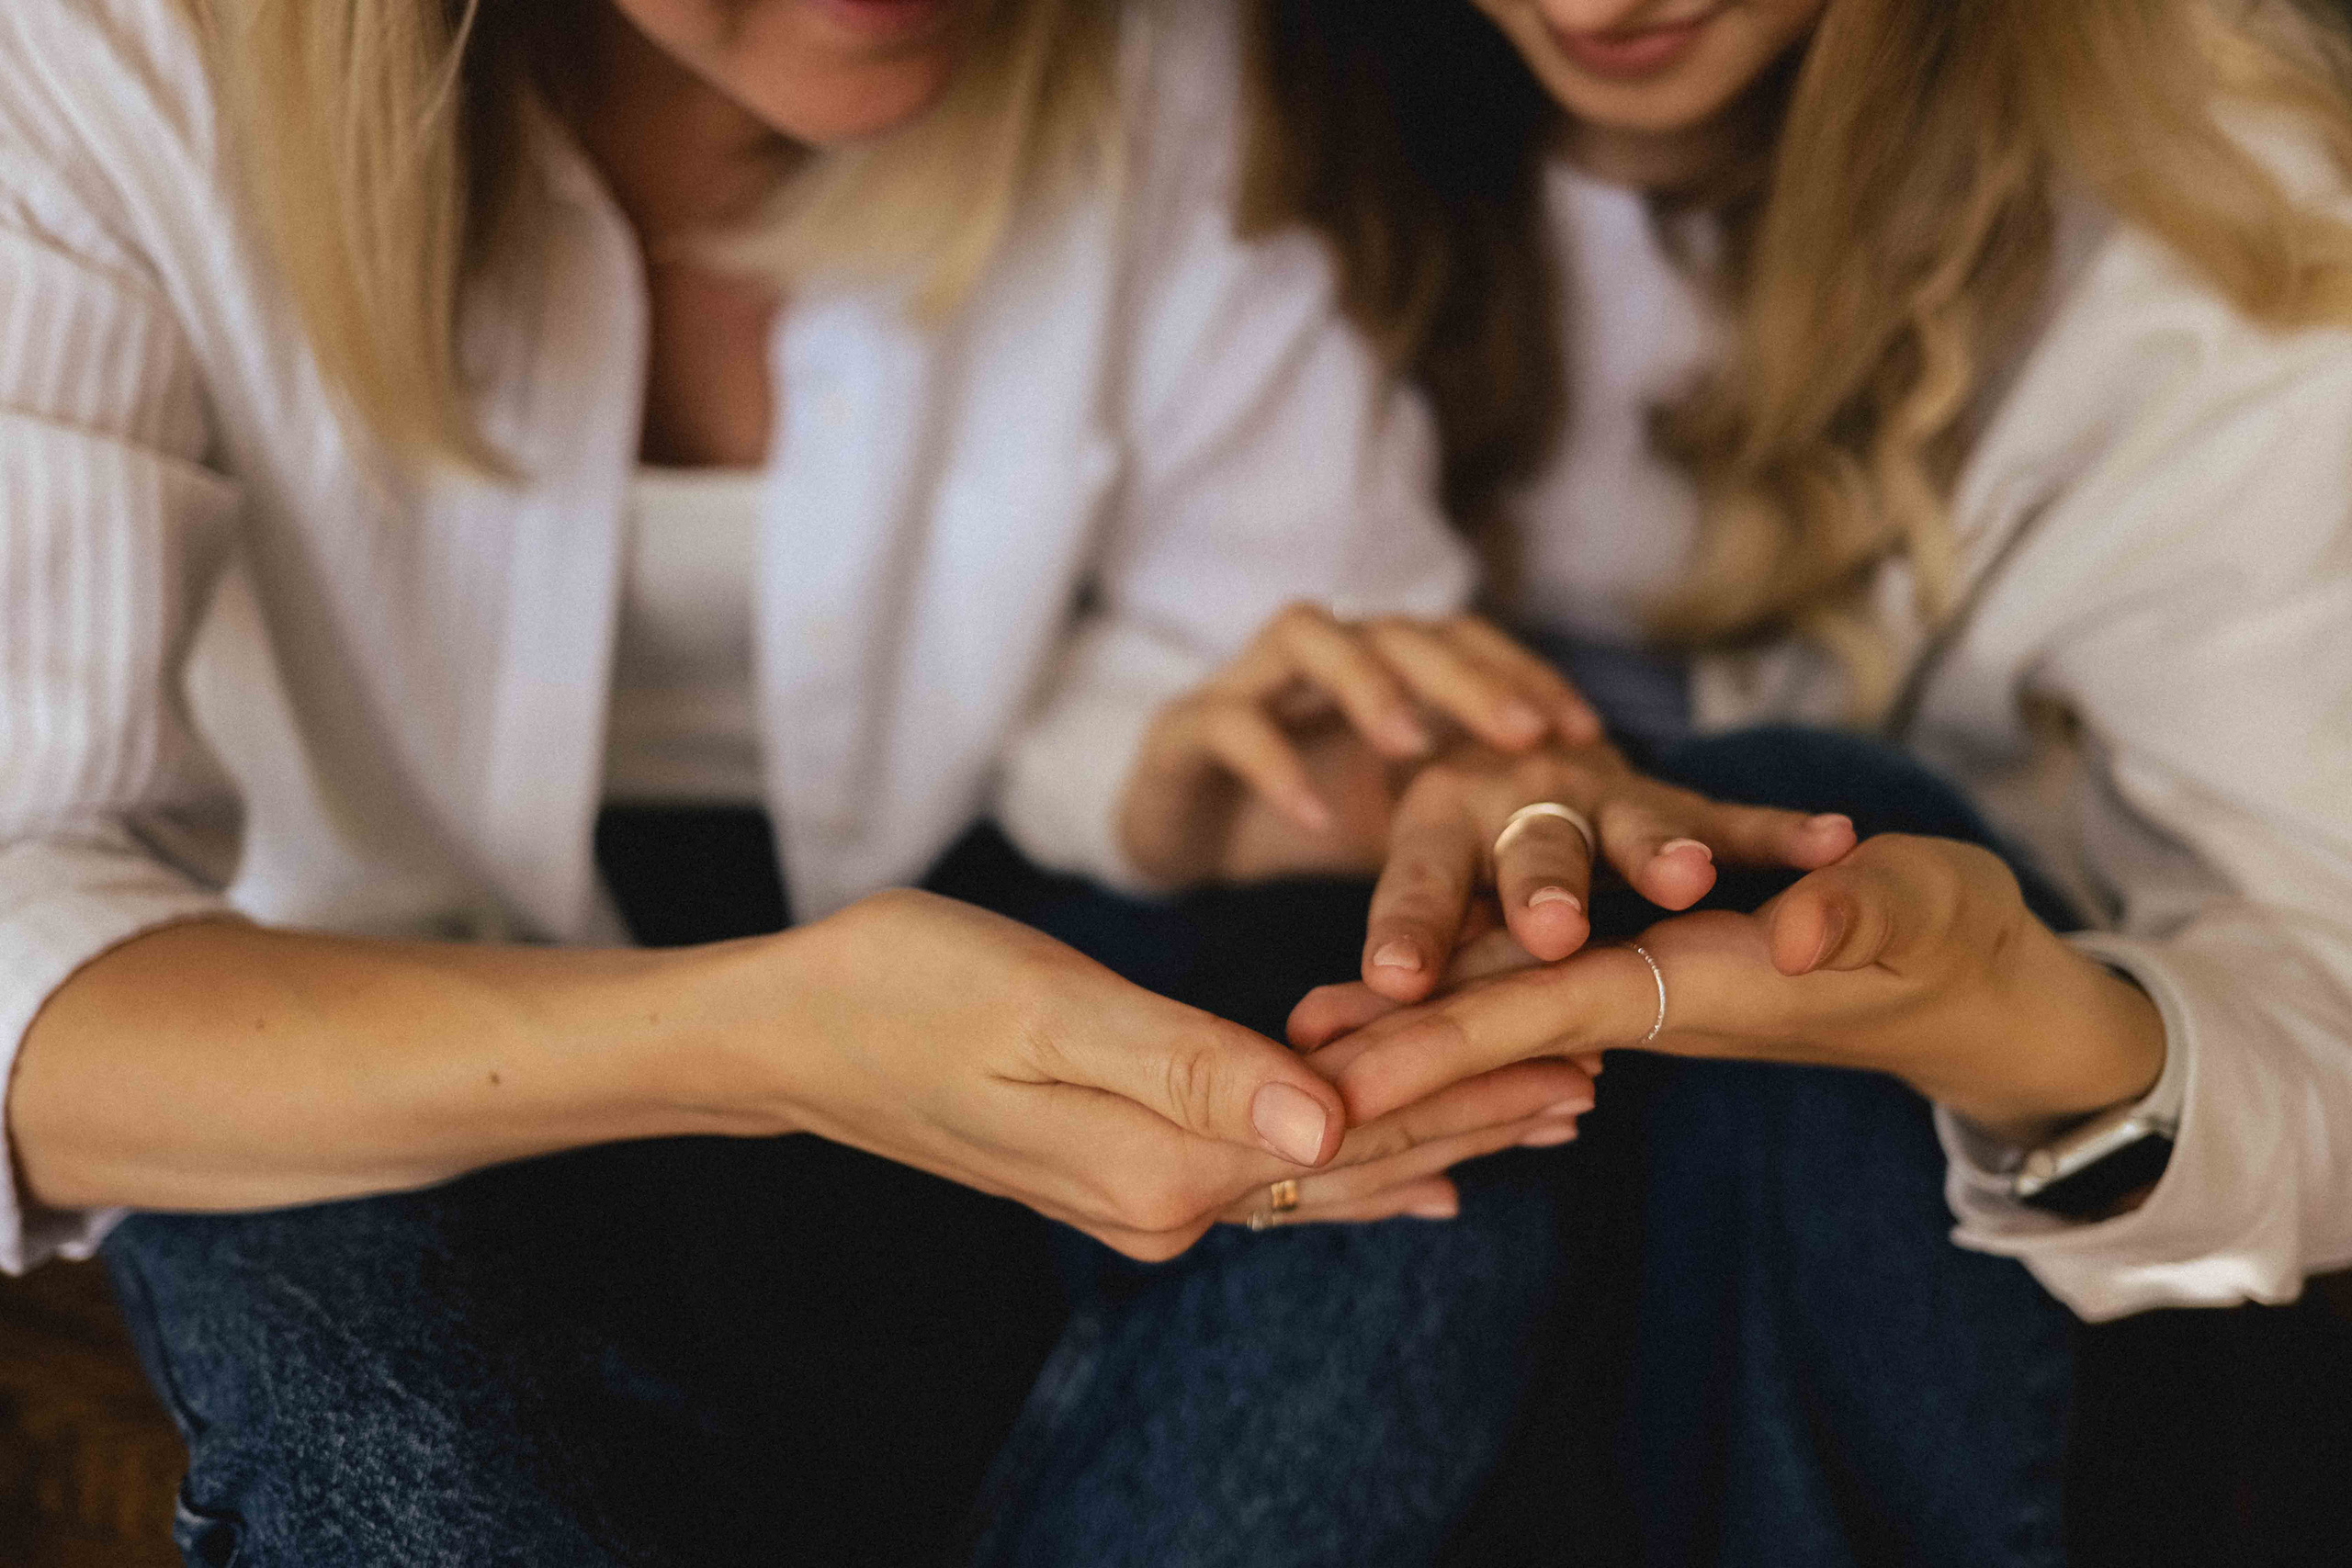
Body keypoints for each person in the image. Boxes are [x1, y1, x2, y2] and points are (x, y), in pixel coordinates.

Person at [0, 0, 1830, 1559]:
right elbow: (31, 945)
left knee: (1429, 1198)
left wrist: (1238, 777)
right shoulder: (106, 67)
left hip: (986, 985)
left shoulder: (1153, 63)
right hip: (355, 1045)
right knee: (375, 1407)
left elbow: (1261, 637)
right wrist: (763, 1039)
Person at [978, 0, 2352, 1562]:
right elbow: (1008, 668)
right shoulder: (1229, 78)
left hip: (1859, 1217)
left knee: (1786, 825)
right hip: (1331, 1016)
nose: (1593, 6)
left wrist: (2016, 1022)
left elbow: (2329, 1016)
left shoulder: (2216, 232)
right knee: (1380, 1098)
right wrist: (1192, 792)